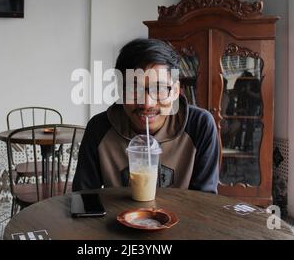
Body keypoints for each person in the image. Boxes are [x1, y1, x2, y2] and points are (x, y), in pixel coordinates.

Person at [73, 38, 220, 193]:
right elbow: (83, 197)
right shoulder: (99, 128)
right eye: (134, 89)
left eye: (160, 88)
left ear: (176, 91)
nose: (147, 103)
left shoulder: (199, 125)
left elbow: (204, 202)